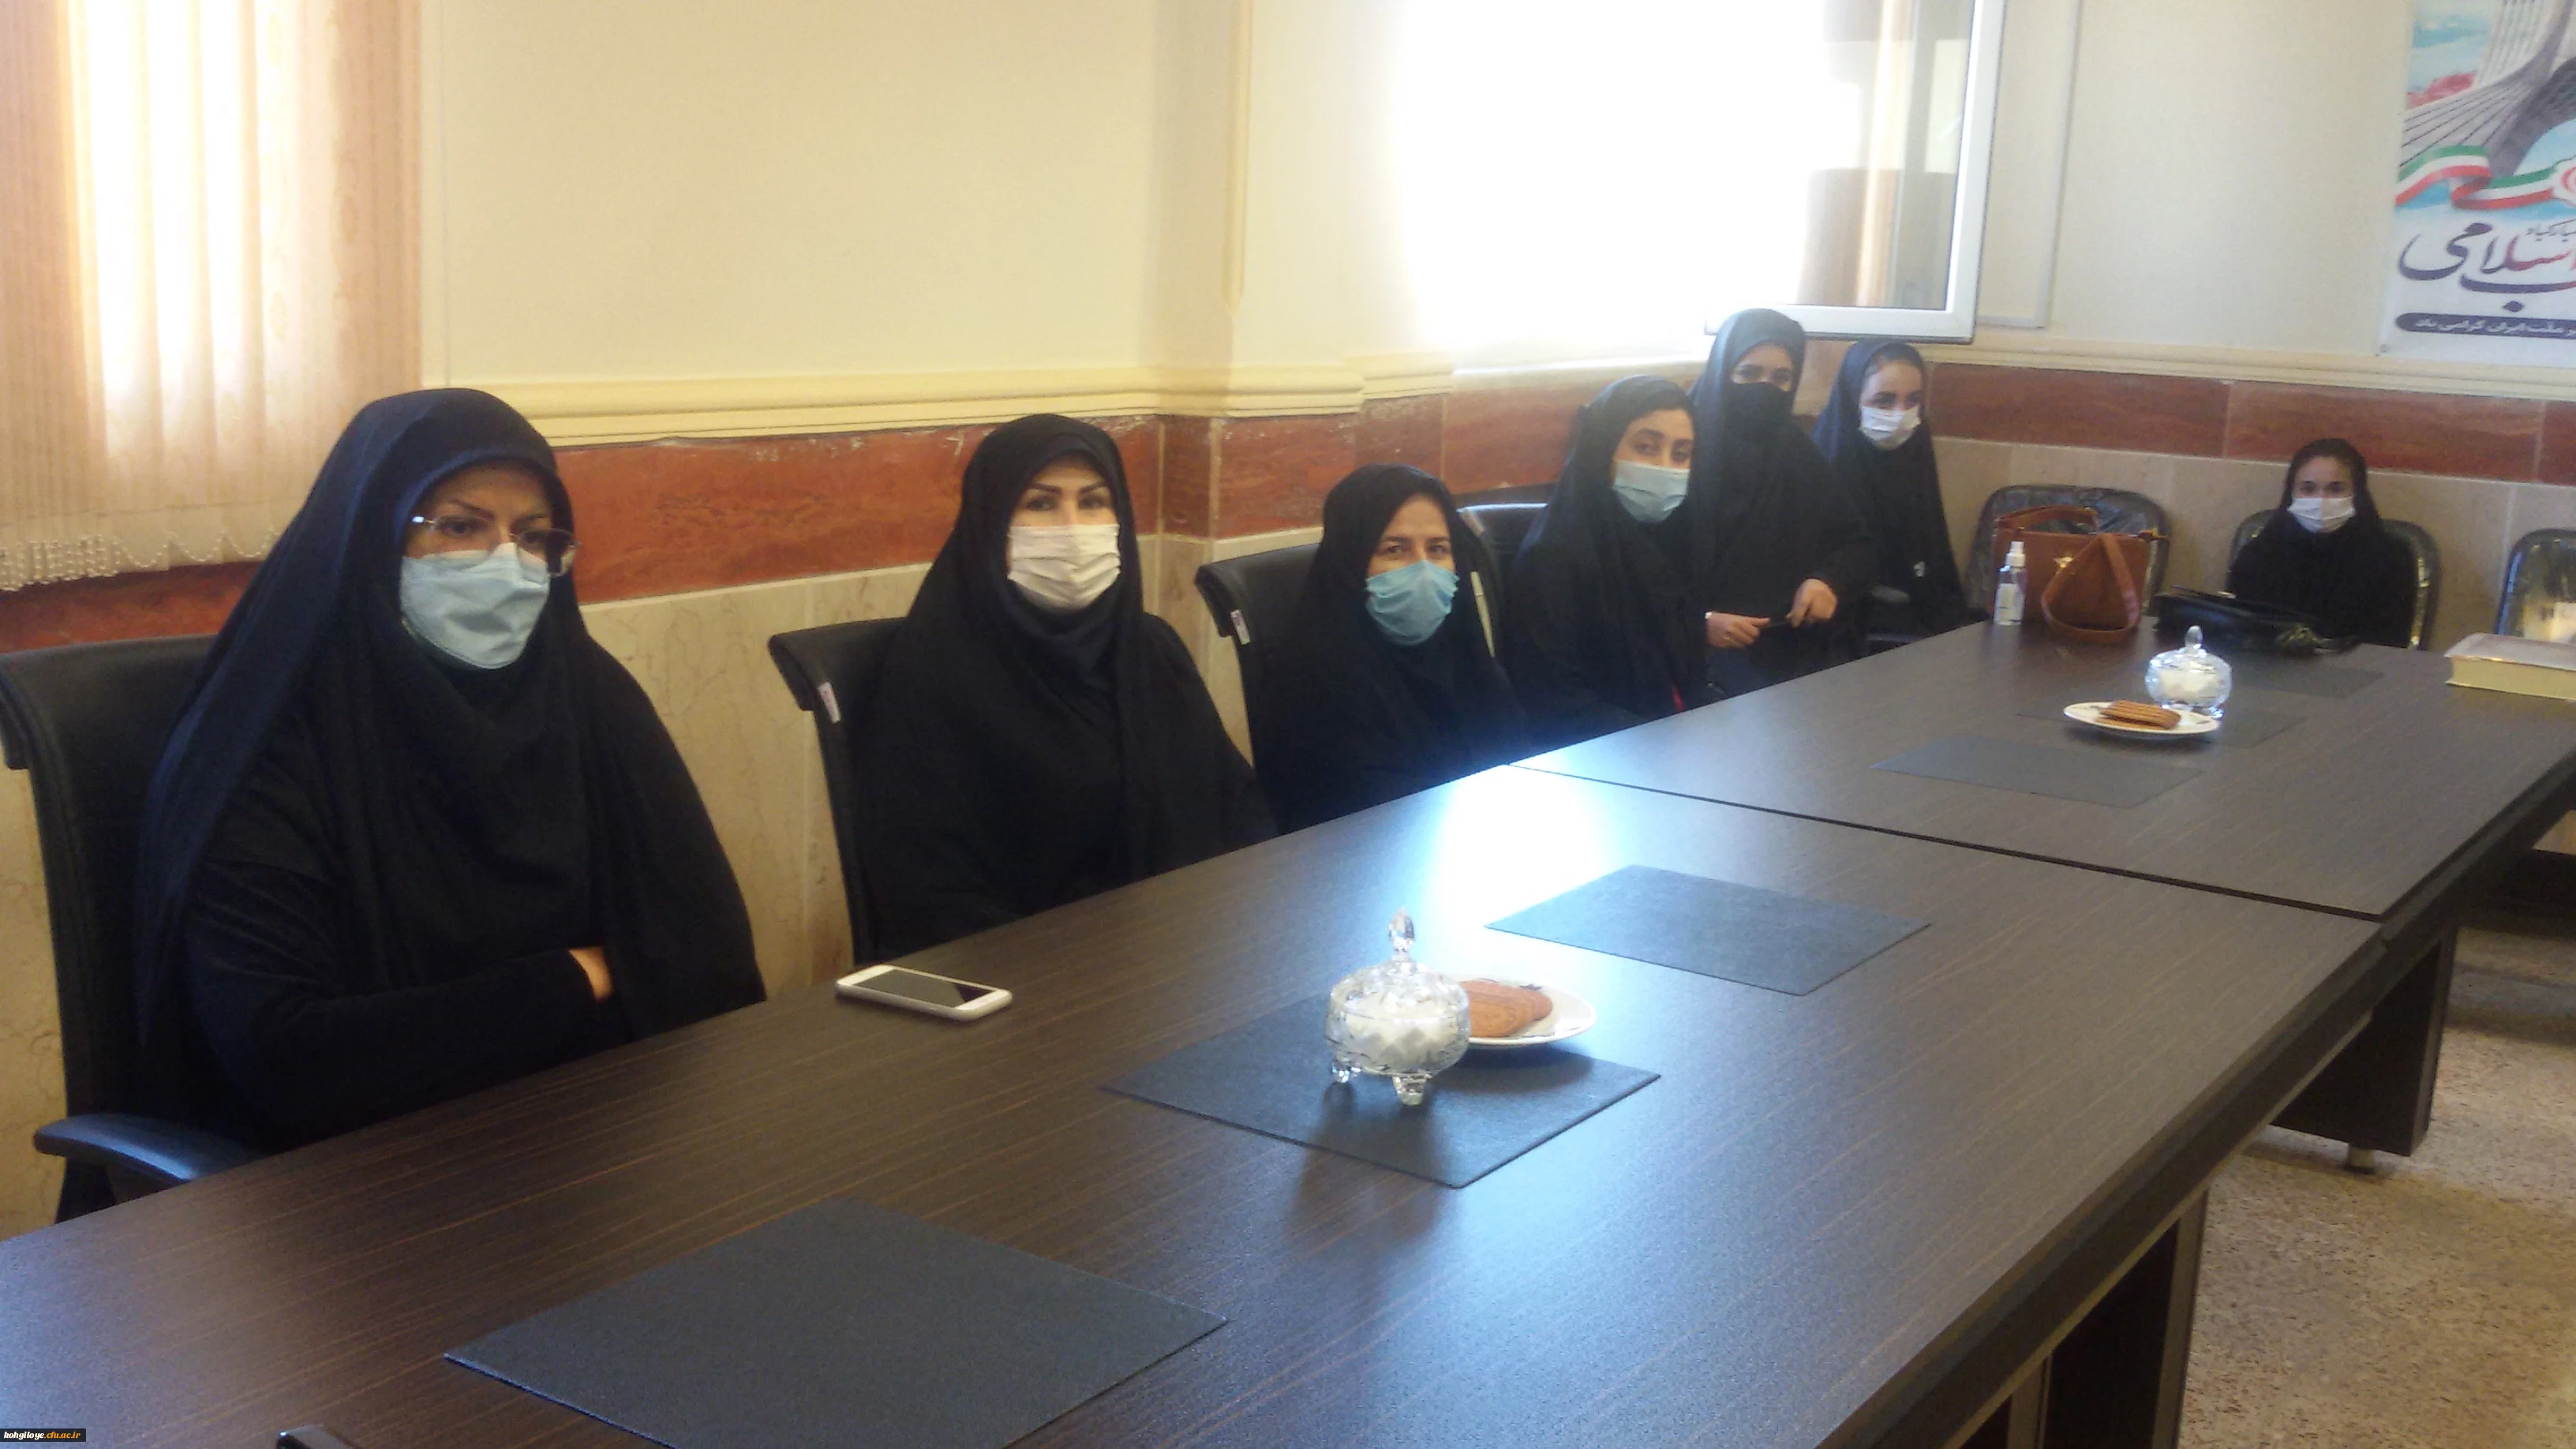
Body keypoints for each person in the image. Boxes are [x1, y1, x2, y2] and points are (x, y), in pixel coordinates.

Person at [130, 390, 766, 1151]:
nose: (506, 565)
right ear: (372, 536)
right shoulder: (268, 739)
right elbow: (286, 1056)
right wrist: (576, 979)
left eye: (533, 537)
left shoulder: (584, 694)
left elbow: (707, 958)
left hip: (588, 1132)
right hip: (349, 1178)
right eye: (461, 528)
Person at [855, 414, 1272, 956]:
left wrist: (1254, 922)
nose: (1073, 528)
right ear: (990, 522)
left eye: (1094, 502)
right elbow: (931, 895)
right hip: (1034, 977)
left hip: (1182, 953)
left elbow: (1236, 806)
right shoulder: (937, 670)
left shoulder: (1148, 649)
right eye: (1041, 504)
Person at [1261, 465, 1526, 829]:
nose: (1423, 570)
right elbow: (1370, 816)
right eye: (1394, 550)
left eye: (1438, 549)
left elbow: (1522, 766)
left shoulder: (1468, 659)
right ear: (1351, 561)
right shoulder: (1317, 684)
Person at [1506, 374, 1713, 748]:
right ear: (1602, 450)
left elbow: (1689, 673)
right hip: (1605, 757)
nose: (1665, 467)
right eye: (1646, 448)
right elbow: (1557, 704)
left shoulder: (1675, 539)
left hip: (1680, 741)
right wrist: (1665, 744)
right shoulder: (1552, 558)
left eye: (1681, 454)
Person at [1684, 309, 1874, 695]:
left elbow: (1856, 543)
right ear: (1722, 371)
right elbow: (1641, 573)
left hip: (1789, 642)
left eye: (1781, 378)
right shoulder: (1682, 450)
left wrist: (1827, 581)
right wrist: (1696, 623)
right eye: (1748, 373)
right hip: (1694, 652)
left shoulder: (1798, 455)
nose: (1764, 388)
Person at [1811, 339, 1966, 639]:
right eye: (1883, 401)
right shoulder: (1823, 467)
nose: (1900, 414)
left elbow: (1934, 555)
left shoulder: (1915, 452)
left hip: (1914, 626)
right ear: (1852, 401)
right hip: (1838, 633)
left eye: (1913, 400)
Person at [2225, 438, 2418, 647]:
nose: (2321, 500)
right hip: (2269, 665)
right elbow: (2237, 634)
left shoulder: (2392, 559)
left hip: (2358, 667)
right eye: (2308, 489)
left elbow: (2388, 644)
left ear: (2357, 494)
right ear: (2291, 493)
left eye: (2336, 489)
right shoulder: (2259, 555)